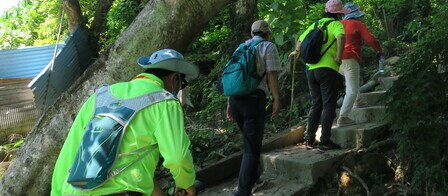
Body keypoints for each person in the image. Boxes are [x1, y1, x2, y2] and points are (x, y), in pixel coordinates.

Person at [51, 49, 198, 196]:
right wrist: (186, 184)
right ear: (175, 79)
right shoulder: (165, 102)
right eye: (182, 84)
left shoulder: (99, 97)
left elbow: (68, 154)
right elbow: (177, 157)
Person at [226, 20, 281, 196]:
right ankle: (242, 191)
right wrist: (276, 98)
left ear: (252, 33)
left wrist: (229, 103)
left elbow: (232, 76)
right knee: (252, 148)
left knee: (250, 142)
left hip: (235, 100)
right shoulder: (268, 46)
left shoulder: (240, 48)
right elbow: (271, 74)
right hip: (253, 101)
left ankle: (254, 176)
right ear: (267, 33)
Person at [292, 0, 349, 151]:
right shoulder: (336, 24)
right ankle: (325, 140)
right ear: (338, 14)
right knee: (328, 104)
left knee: (316, 104)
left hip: (310, 69)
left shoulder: (315, 24)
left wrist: (297, 52)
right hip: (327, 69)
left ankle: (309, 139)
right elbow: (341, 37)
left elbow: (300, 40)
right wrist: (338, 57)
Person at [337, 2, 383, 127]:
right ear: (356, 15)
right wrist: (379, 50)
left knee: (350, 81)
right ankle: (343, 117)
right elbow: (370, 40)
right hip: (350, 57)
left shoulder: (338, 25)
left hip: (335, 60)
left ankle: (358, 100)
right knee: (351, 90)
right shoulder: (357, 24)